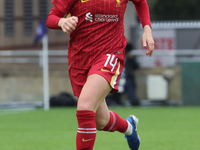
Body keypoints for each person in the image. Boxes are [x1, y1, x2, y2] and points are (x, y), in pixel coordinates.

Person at [46, 0, 154, 149]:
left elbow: (140, 2)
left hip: (110, 54)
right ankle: (130, 127)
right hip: (79, 60)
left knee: (84, 107)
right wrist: (61, 22)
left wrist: (147, 29)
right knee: (101, 121)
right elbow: (51, 18)